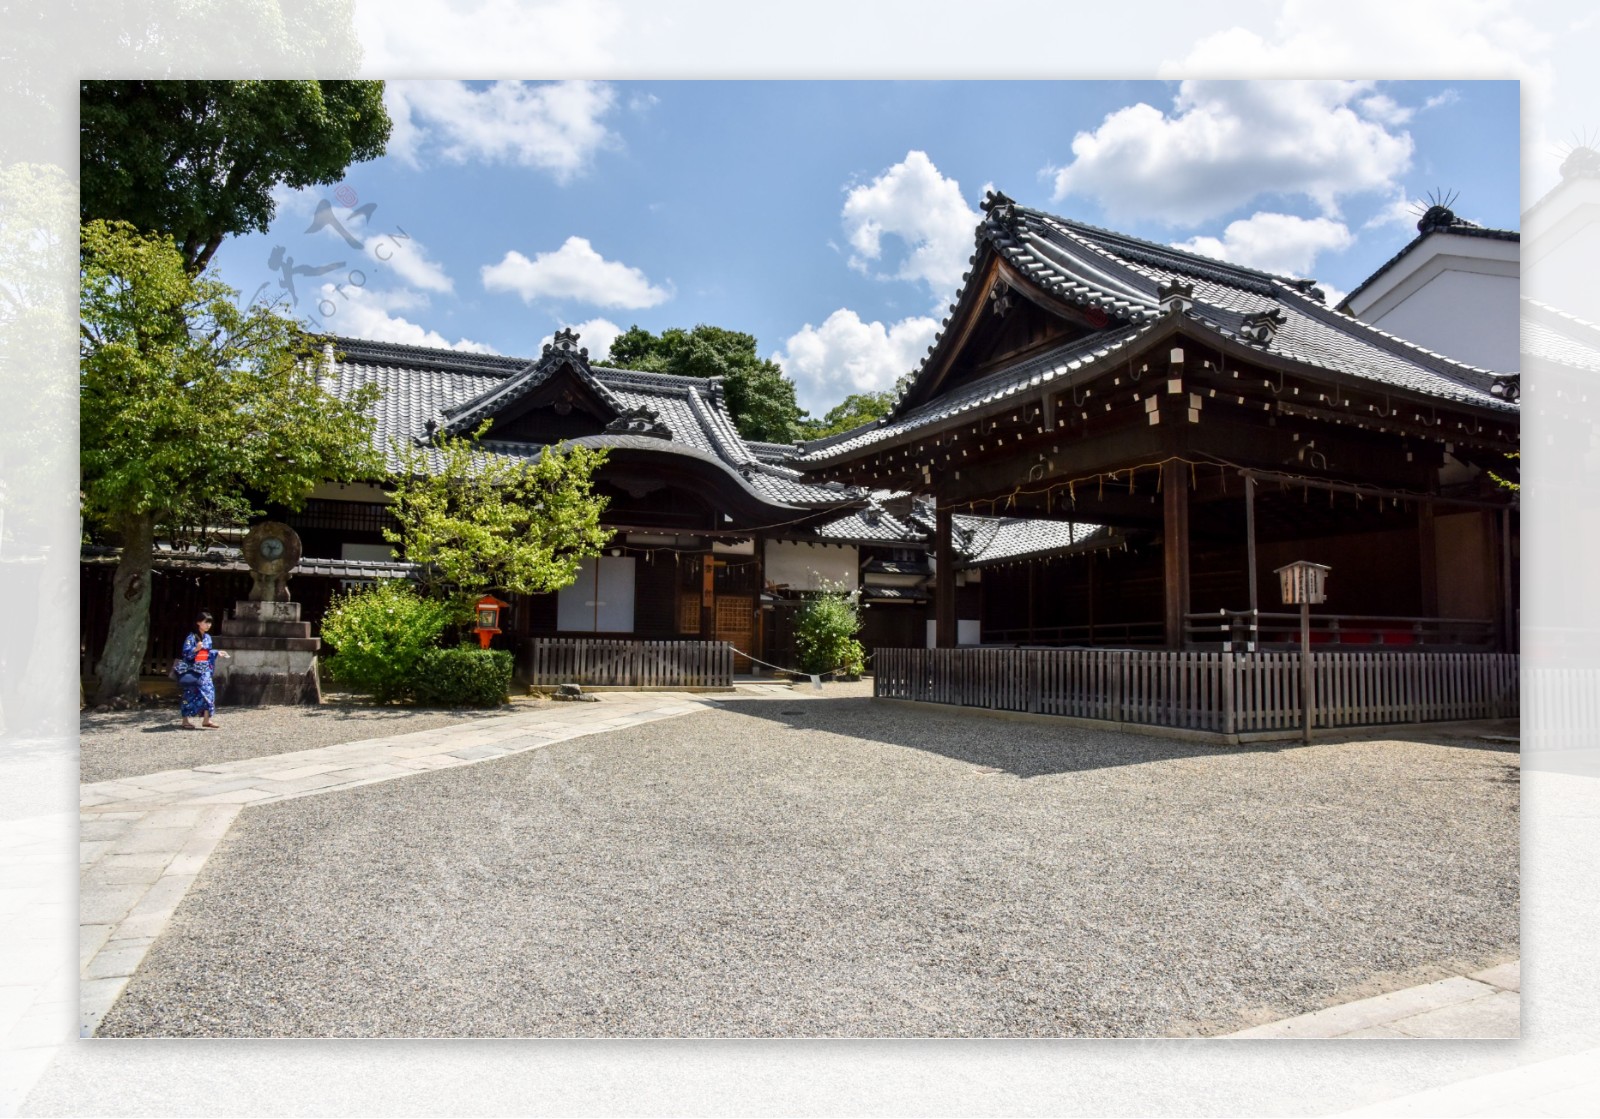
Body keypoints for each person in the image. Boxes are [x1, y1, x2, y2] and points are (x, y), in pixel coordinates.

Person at [178, 611, 229, 730]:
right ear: (198, 623)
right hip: (193, 670)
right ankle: (185, 720)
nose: (208, 625)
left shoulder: (208, 638)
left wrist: (217, 652)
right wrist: (195, 649)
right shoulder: (191, 637)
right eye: (206, 622)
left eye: (210, 623)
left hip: (205, 670)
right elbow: (186, 653)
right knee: (189, 694)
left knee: (209, 693)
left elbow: (207, 652)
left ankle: (207, 719)